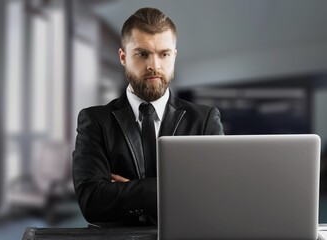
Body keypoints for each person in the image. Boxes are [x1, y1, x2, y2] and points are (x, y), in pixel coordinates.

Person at [72, 7, 224, 226]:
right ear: (123, 57)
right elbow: (93, 203)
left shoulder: (204, 120)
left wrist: (130, 189)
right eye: (142, 54)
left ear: (174, 56)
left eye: (164, 54)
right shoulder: (95, 121)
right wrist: (179, 189)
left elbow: (217, 197)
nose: (154, 65)